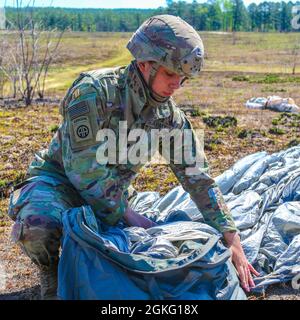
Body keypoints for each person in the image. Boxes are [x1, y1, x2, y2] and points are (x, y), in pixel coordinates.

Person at [8, 14, 259, 300]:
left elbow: (198, 178)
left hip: (113, 195)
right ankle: (51, 272)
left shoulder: (167, 117)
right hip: (59, 184)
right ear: (144, 64)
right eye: (169, 73)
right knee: (39, 226)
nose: (176, 84)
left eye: (183, 77)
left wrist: (231, 237)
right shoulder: (94, 92)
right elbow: (82, 169)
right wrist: (128, 215)